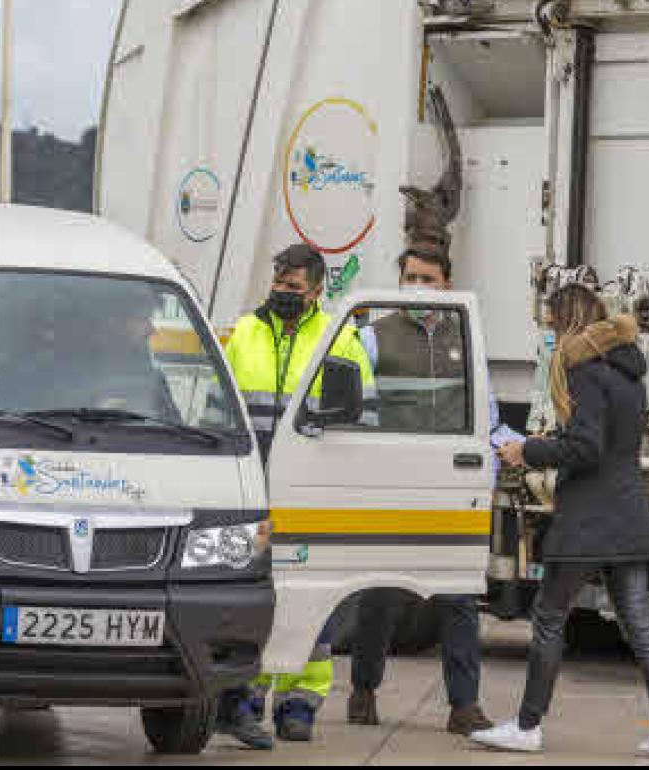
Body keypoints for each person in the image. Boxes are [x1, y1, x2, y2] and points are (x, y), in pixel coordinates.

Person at [470, 284, 649, 760]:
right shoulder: (628, 373)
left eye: (551, 324)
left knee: (549, 617)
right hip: (628, 511)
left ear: (569, 322)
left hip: (590, 516)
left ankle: (527, 725)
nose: (549, 334)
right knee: (641, 623)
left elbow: (586, 447)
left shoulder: (587, 372)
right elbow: (608, 442)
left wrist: (527, 450)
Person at [347, 246, 522, 736]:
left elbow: (484, 417)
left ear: (447, 284)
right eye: (409, 278)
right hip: (393, 485)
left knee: (459, 597)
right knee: (381, 594)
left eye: (426, 279)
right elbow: (358, 409)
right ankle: (363, 689)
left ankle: (463, 706)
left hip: (449, 487)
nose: (417, 287)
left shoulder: (465, 339)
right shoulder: (372, 338)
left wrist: (519, 446)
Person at [217, 243, 377, 748]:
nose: (283, 294)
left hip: (312, 490)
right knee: (258, 595)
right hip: (252, 488)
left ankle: (300, 703)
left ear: (314, 292)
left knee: (313, 602)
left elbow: (364, 417)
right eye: (279, 284)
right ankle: (248, 697)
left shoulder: (339, 338)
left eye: (294, 288)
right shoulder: (242, 333)